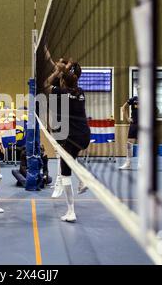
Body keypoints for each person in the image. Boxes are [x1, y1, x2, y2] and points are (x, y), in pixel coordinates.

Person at [44, 62, 91, 222]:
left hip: (71, 137)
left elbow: (46, 85)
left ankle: (71, 211)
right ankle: (82, 179)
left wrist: (58, 71)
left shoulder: (61, 92)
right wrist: (64, 71)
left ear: (63, 81)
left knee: (65, 172)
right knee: (70, 160)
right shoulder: (81, 92)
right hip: (84, 135)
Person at [119, 86, 139, 170]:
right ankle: (128, 163)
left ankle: (142, 164)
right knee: (129, 144)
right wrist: (127, 118)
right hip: (134, 124)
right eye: (138, 89)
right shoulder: (134, 99)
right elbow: (123, 108)